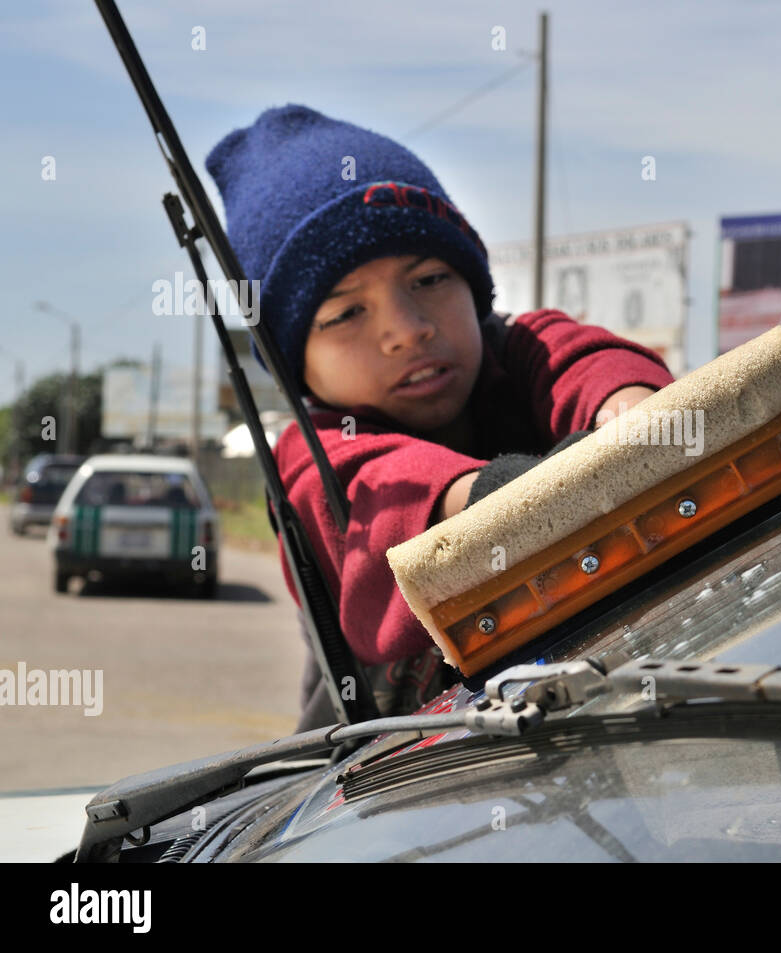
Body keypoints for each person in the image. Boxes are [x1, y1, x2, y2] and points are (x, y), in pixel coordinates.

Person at [205, 105, 673, 726]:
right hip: (393, 790)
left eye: (429, 278)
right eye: (346, 314)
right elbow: (393, 503)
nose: (408, 329)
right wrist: (526, 496)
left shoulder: (516, 351)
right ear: (298, 372)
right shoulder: (314, 458)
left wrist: (637, 420)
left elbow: (590, 363)